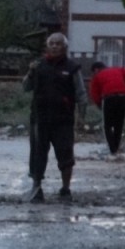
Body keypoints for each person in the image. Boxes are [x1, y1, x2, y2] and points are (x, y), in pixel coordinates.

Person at [22, 33, 87, 202]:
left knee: (65, 154)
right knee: (37, 153)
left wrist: (82, 116)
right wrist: (30, 72)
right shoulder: (38, 66)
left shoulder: (72, 67)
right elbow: (25, 88)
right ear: (47, 46)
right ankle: (36, 188)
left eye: (58, 44)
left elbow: (81, 93)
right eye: (51, 43)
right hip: (39, 118)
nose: (55, 46)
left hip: (63, 120)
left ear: (65, 47)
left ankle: (65, 189)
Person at [88, 61, 125, 155]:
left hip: (108, 98)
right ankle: (116, 148)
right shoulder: (118, 69)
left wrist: (99, 105)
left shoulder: (97, 76)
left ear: (96, 70)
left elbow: (94, 93)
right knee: (118, 125)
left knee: (107, 125)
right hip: (123, 97)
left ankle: (112, 150)